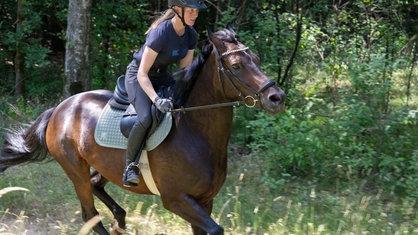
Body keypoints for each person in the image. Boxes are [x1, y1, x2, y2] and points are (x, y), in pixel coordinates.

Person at [122, 0, 207, 187]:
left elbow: (184, 73)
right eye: (191, 11)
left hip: (163, 77)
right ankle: (130, 167)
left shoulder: (191, 34)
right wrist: (156, 99)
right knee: (145, 117)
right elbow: (142, 73)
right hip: (138, 76)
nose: (195, 15)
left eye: (197, 11)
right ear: (177, 10)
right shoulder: (160, 32)